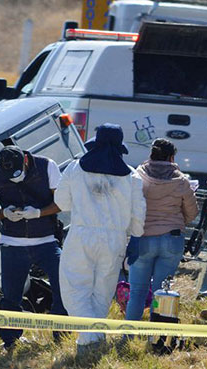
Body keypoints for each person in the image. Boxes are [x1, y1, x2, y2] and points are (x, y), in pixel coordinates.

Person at [54, 123, 146, 353]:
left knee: (74, 287)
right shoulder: (132, 176)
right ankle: (93, 340)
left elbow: (61, 202)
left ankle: (89, 337)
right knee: (103, 290)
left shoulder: (76, 168)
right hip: (115, 239)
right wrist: (135, 237)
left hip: (81, 234)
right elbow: (138, 213)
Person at [0, 145, 68, 350]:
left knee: (63, 286)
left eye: (17, 174)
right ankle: (11, 341)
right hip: (13, 243)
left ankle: (62, 334)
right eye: (9, 176)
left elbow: (62, 202)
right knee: (11, 296)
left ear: (26, 161)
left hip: (46, 241)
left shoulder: (47, 166)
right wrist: (5, 214)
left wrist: (38, 213)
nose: (13, 178)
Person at [125, 139, 198, 323]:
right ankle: (156, 335)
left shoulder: (138, 176)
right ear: (172, 157)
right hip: (171, 239)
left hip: (142, 238)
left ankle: (128, 334)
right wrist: (177, 222)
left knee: (137, 293)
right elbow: (192, 212)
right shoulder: (181, 181)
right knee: (162, 292)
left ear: (151, 155)